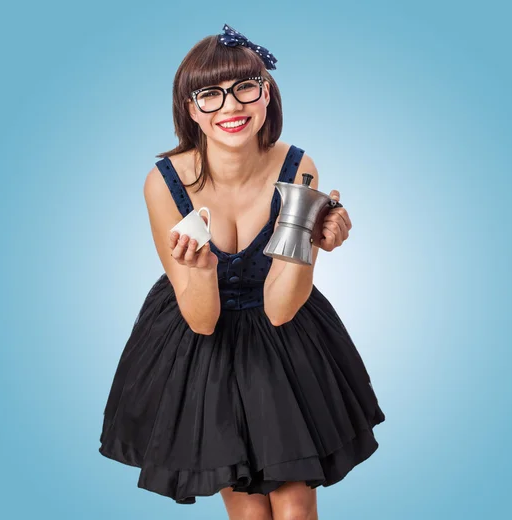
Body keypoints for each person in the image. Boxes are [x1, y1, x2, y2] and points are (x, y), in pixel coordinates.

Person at [99, 24, 386, 518]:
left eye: (244, 89)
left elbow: (279, 308)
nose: (230, 108)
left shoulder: (298, 168)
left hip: (283, 337)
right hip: (201, 340)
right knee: (251, 512)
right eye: (209, 95)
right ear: (190, 108)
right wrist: (202, 268)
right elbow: (202, 321)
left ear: (266, 93)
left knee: (295, 506)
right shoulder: (164, 183)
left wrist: (309, 241)